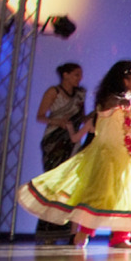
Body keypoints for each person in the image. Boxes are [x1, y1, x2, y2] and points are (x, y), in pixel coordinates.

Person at [18, 60, 131, 248]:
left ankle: (121, 237)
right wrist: (122, 102)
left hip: (127, 161)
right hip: (106, 158)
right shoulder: (109, 101)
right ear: (124, 80)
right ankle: (84, 232)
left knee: (124, 196)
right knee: (99, 196)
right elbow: (111, 104)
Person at [33, 63, 88, 241]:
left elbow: (82, 117)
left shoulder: (80, 94)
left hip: (72, 141)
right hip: (54, 141)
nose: (79, 78)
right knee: (55, 185)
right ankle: (48, 231)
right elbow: (40, 116)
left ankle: (67, 230)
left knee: (69, 185)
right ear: (65, 75)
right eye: (76, 74)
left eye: (80, 75)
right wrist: (58, 121)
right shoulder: (54, 92)